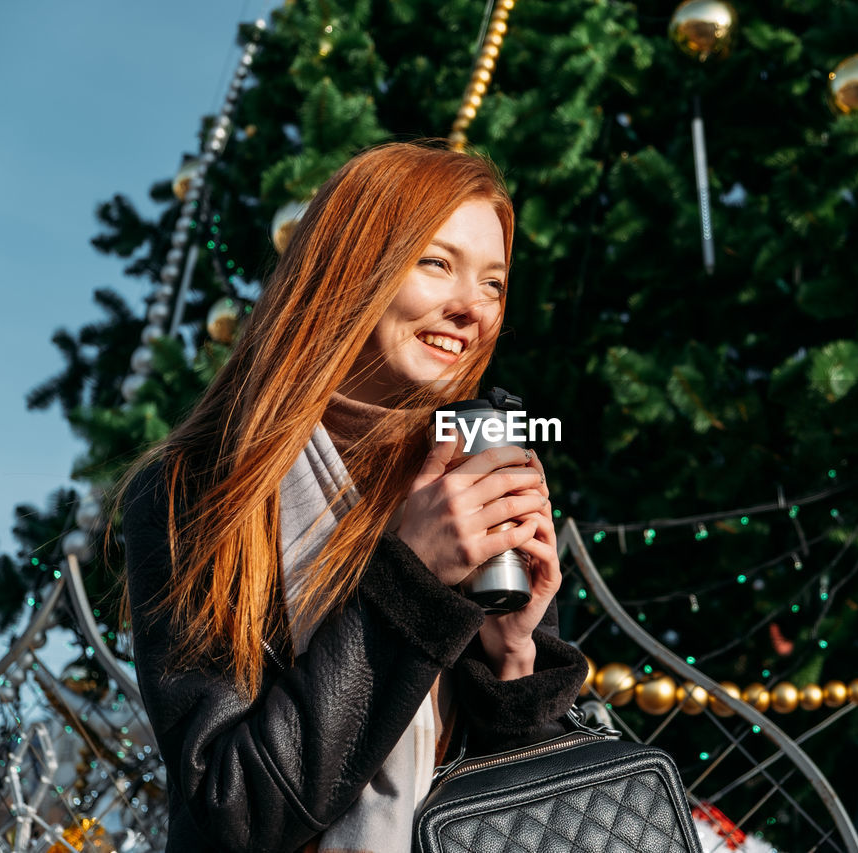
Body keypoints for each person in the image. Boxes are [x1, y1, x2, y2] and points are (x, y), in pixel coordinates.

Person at [120, 142, 587, 853]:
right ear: (348, 265)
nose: (473, 308)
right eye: (437, 263)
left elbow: (531, 819)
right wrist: (412, 584)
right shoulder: (197, 491)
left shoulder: (468, 481)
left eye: (494, 283)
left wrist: (515, 659)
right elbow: (233, 810)